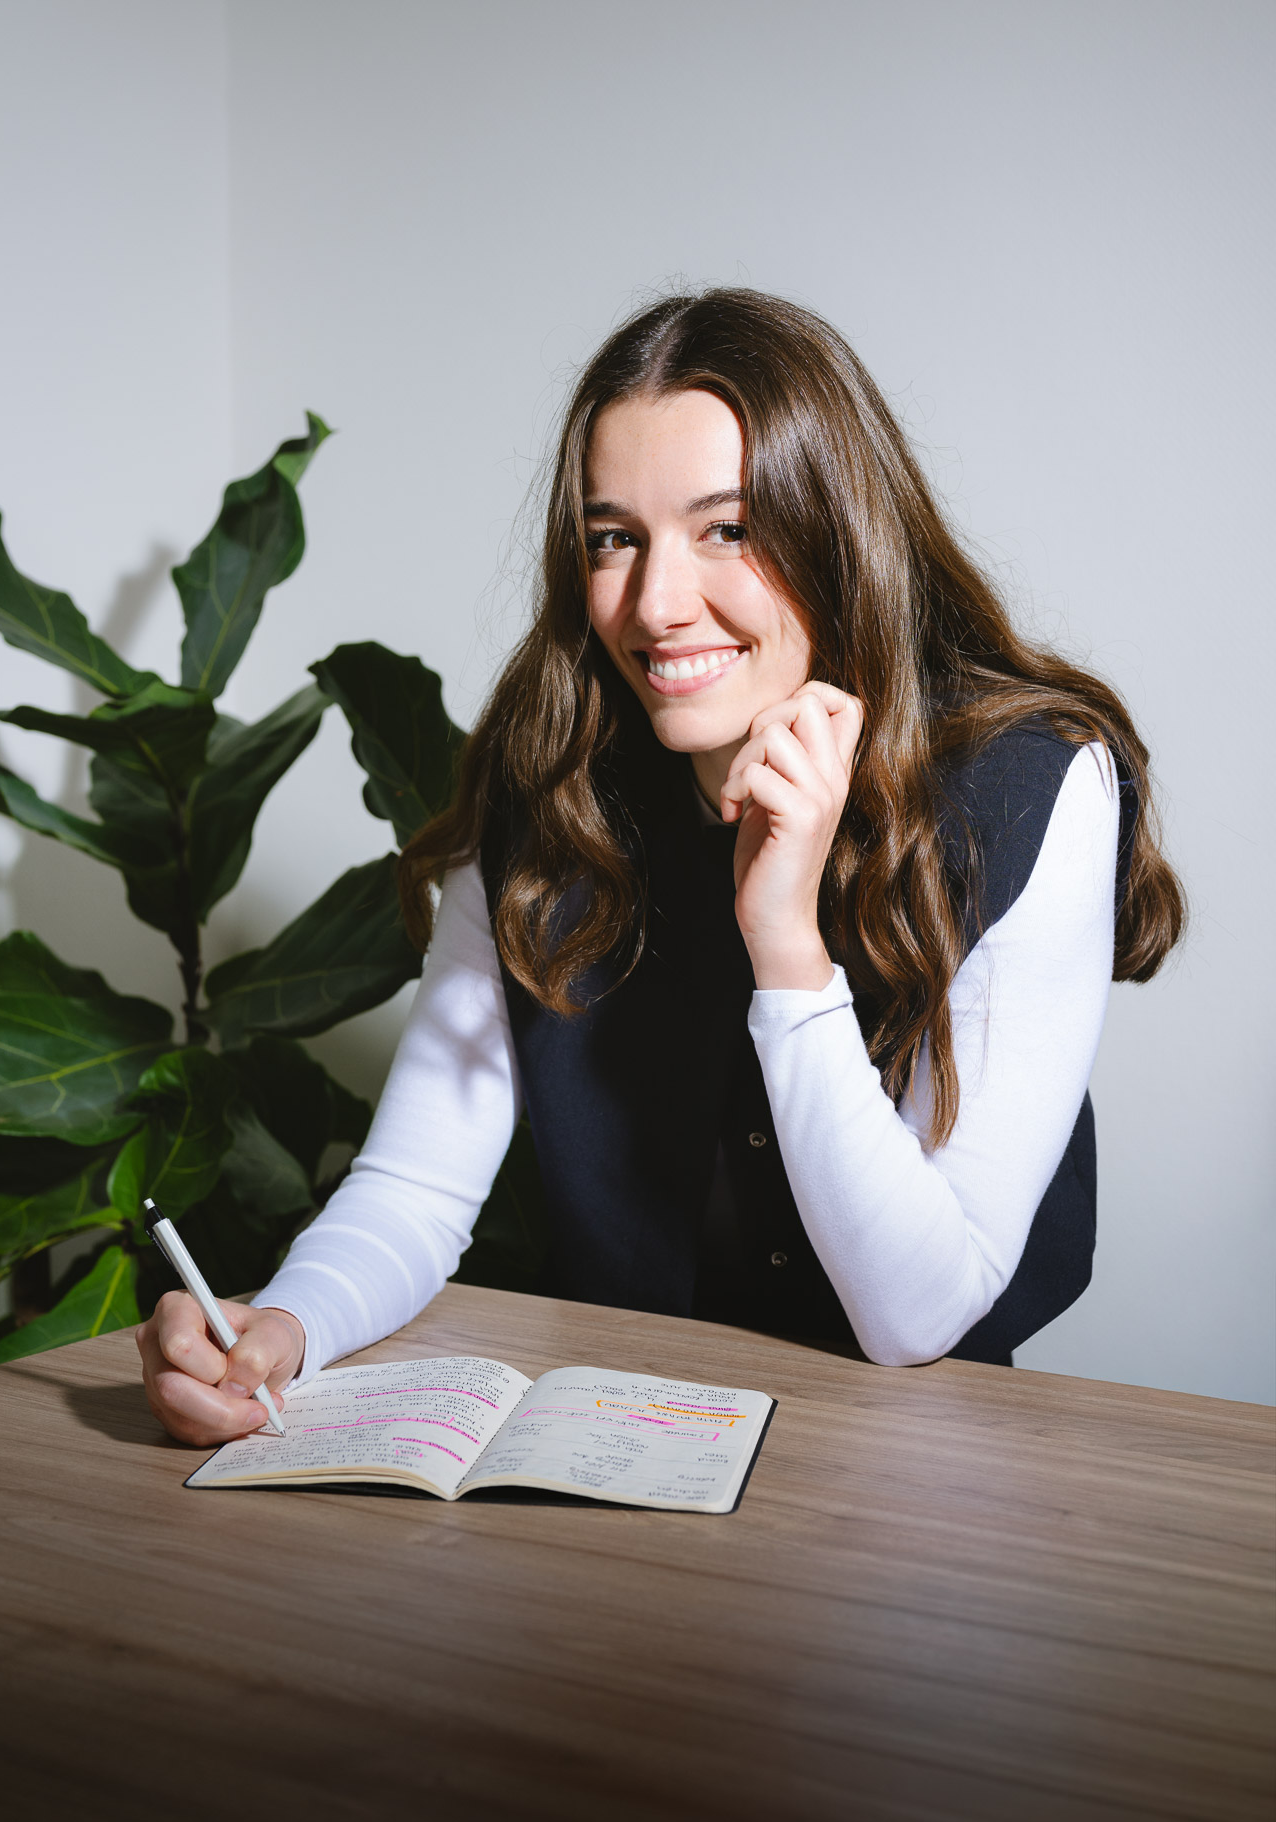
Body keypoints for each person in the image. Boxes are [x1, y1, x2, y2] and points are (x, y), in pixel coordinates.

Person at [137, 288, 1184, 1444]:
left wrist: (783, 937)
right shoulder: (544, 788)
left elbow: (914, 1315)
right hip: (622, 1441)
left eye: (726, 529)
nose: (656, 604)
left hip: (930, 1461)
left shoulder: (1025, 785)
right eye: (613, 538)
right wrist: (280, 1326)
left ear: (834, 530)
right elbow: (416, 1190)